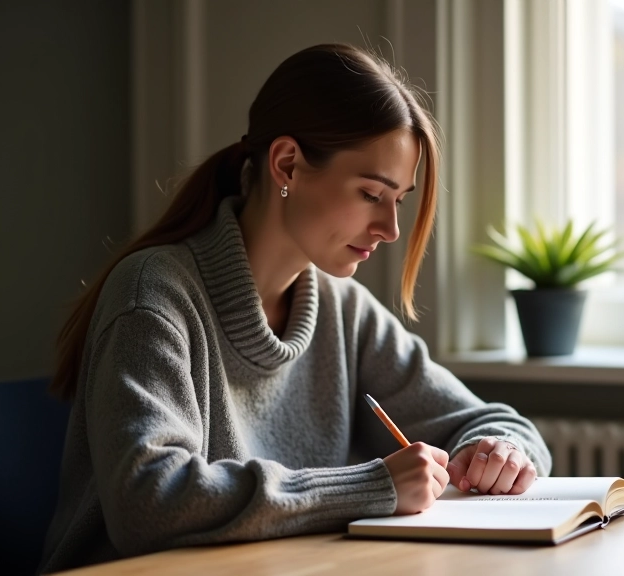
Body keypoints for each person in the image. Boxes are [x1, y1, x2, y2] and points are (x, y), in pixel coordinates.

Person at [38, 43, 552, 574]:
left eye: (398, 200)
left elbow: (495, 421)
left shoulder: (342, 308)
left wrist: (501, 452)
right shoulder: (152, 296)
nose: (391, 230)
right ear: (287, 165)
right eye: (371, 193)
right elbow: (148, 500)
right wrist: (372, 486)